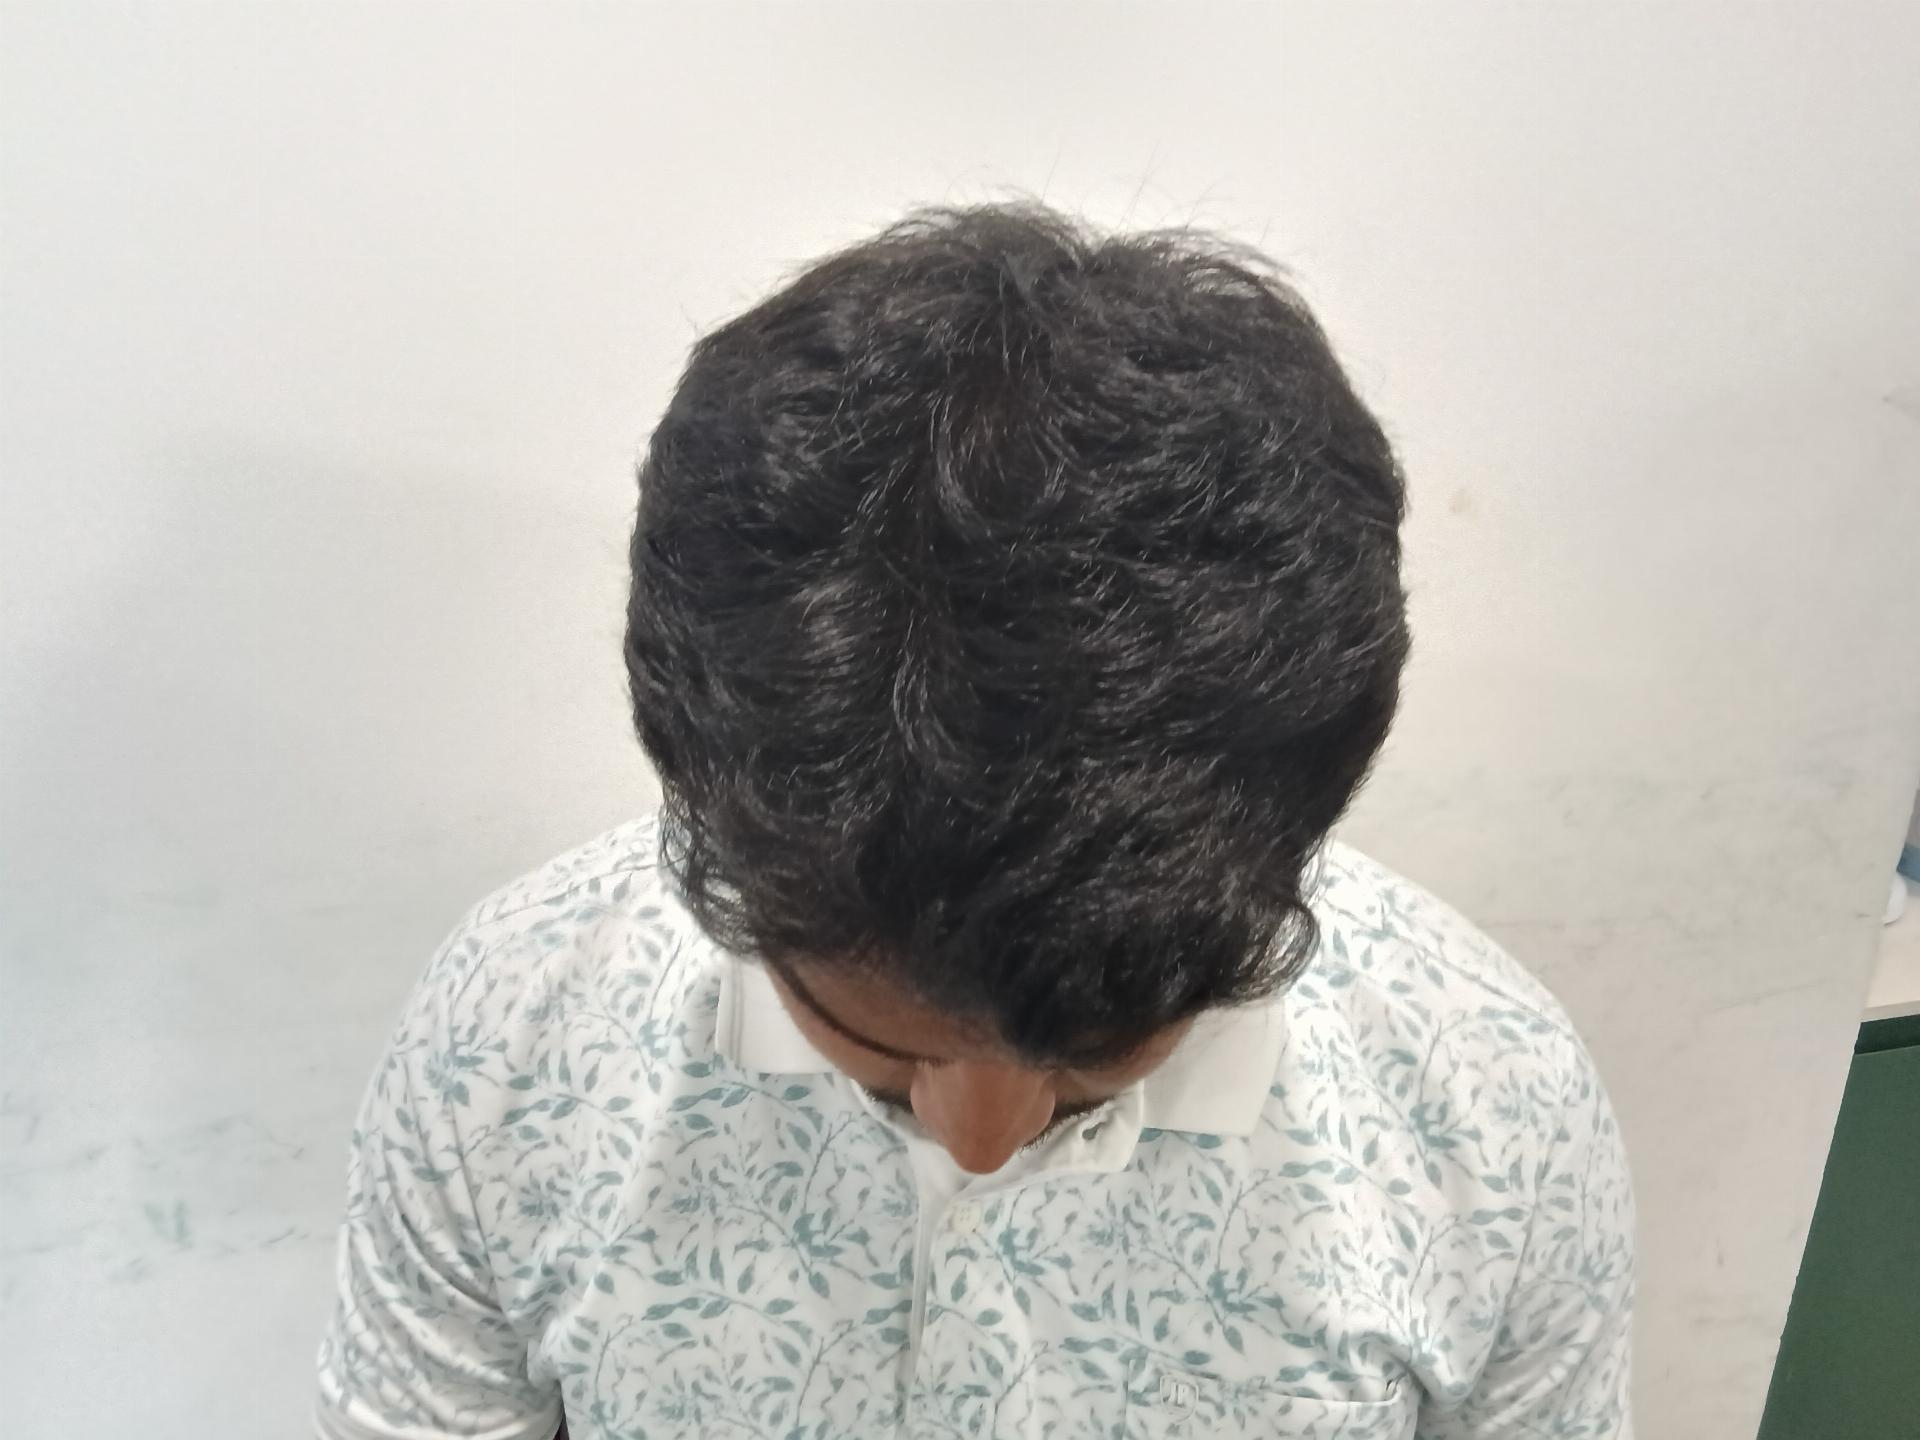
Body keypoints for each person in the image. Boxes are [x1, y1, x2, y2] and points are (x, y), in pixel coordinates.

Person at [315, 202, 1633, 1440]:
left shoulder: (1491, 1108)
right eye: (882, 1061)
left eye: (1097, 1060)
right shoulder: (513, 1037)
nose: (985, 1140)